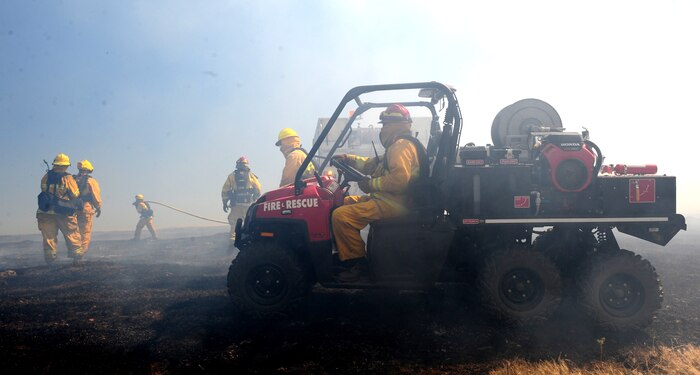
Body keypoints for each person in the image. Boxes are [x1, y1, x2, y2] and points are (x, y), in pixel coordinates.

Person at [331, 104, 425, 282]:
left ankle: (356, 264)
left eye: (384, 125)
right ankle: (345, 252)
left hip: (395, 203)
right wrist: (348, 159)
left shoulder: (400, 146)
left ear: (391, 125)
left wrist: (370, 184)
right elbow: (371, 164)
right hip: (390, 200)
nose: (383, 129)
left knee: (340, 216)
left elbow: (399, 181)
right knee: (346, 201)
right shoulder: (398, 146)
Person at [36, 153, 84, 264]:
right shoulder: (67, 178)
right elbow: (75, 194)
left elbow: (44, 190)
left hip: (45, 212)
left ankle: (50, 259)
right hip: (64, 212)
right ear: (65, 165)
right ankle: (77, 258)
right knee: (72, 234)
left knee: (49, 237)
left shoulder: (46, 177)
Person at [222, 156, 262, 246]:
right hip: (249, 205)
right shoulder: (251, 175)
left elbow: (225, 190)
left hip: (236, 205)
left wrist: (225, 202)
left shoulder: (231, 176)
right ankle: (249, 241)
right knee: (250, 222)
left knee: (234, 223)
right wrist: (256, 198)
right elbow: (258, 188)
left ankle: (232, 243)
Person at [73, 160, 102, 255]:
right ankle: (80, 254)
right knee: (85, 232)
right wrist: (98, 207)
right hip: (85, 208)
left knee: (74, 232)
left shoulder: (71, 180)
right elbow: (95, 195)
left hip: (72, 209)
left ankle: (75, 250)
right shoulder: (91, 181)